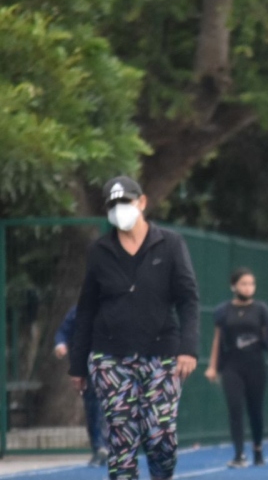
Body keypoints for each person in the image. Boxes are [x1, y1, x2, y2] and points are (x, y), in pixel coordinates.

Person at [68, 175, 200, 480]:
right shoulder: (99, 251)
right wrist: (78, 365)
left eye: (125, 203)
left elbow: (188, 300)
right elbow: (86, 309)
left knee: (160, 437)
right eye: (112, 206)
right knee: (122, 440)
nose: (119, 210)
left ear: (141, 203)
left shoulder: (170, 244)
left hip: (162, 355)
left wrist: (188, 349)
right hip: (110, 357)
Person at [204, 269, 268, 468]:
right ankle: (239, 454)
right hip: (231, 365)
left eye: (251, 284)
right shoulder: (223, 310)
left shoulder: (260, 309)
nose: (248, 288)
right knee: (235, 408)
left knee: (255, 410)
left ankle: (257, 448)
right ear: (234, 286)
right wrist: (212, 366)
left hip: (255, 365)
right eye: (244, 284)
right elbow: (218, 339)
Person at [53, 306, 108, 467]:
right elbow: (63, 332)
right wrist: (60, 345)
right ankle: (99, 447)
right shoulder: (78, 311)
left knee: (109, 406)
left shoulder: (114, 309)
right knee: (92, 407)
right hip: (86, 367)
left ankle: (109, 445)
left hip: (111, 366)